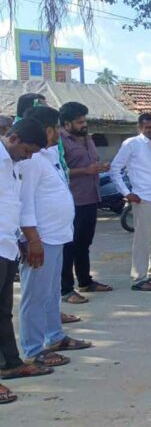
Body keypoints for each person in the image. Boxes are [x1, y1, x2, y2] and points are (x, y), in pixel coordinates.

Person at [17, 107, 93, 368]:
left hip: (57, 236)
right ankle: (33, 348)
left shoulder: (49, 155)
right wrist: (31, 240)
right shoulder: (31, 160)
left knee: (50, 294)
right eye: (56, 128)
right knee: (35, 296)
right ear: (47, 129)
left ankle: (55, 336)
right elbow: (23, 201)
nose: (60, 133)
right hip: (40, 239)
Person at [0, 117, 52, 404]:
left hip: (6, 247)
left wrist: (23, 238)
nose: (29, 157)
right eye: (28, 150)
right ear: (15, 138)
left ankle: (10, 364)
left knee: (3, 313)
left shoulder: (13, 165)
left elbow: (11, 206)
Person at [110, 113, 151, 291]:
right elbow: (115, 168)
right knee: (142, 239)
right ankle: (138, 278)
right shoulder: (131, 144)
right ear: (140, 128)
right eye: (147, 127)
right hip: (142, 197)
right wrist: (126, 192)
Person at [59, 102, 112, 305]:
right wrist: (85, 171)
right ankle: (66, 289)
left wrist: (99, 167)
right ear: (66, 123)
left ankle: (85, 281)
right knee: (69, 246)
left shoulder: (87, 138)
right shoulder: (59, 142)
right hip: (73, 200)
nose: (84, 124)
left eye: (85, 120)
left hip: (91, 197)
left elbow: (91, 163)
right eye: (80, 121)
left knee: (84, 244)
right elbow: (60, 171)